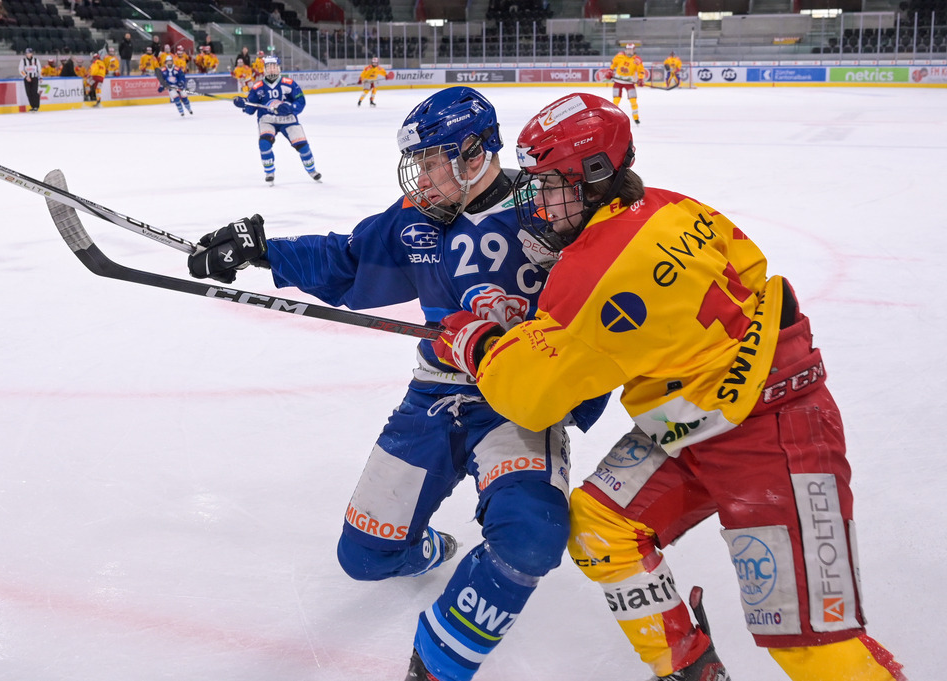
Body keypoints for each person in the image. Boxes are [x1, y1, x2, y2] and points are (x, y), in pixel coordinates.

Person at [434, 92, 908, 681]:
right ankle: (689, 669)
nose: (540, 201)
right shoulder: (674, 207)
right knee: (602, 527)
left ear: (596, 176)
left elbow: (531, 398)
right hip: (697, 419)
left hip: (772, 432)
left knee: (811, 644)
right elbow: (748, 268)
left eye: (552, 183)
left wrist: (476, 343)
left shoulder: (587, 275)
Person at [186, 86, 606, 681]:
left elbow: (614, 291)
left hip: (519, 404)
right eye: (421, 163)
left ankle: (436, 665)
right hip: (436, 395)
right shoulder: (416, 221)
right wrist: (263, 250)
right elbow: (349, 260)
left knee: (532, 532)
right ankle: (431, 546)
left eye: (435, 161)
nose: (424, 178)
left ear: (474, 152)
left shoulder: (547, 211)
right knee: (363, 558)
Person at [232, 56, 319, 184]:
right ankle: (269, 172)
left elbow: (300, 101)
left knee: (303, 146)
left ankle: (312, 170)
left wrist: (290, 108)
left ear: (279, 68)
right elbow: (251, 108)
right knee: (264, 143)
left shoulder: (289, 83)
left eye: (274, 67)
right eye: (269, 67)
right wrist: (244, 104)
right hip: (267, 119)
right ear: (265, 70)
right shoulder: (257, 87)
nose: (272, 70)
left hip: (288, 119)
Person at [608, 42, 645, 125]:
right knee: (616, 100)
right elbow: (613, 64)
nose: (629, 51)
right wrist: (610, 71)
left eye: (630, 49)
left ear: (634, 50)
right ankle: (614, 117)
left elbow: (641, 70)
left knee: (633, 100)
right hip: (618, 81)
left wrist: (641, 79)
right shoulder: (620, 55)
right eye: (628, 49)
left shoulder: (637, 60)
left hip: (629, 82)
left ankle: (636, 118)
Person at [19, 47, 41, 112]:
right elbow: (21, 70)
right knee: (28, 93)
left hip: (34, 78)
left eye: (29, 53)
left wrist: (41, 77)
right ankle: (32, 106)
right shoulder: (23, 60)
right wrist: (26, 76)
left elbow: (39, 69)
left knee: (34, 92)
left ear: (32, 54)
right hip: (27, 78)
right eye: (27, 53)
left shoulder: (36, 60)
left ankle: (36, 106)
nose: (28, 54)